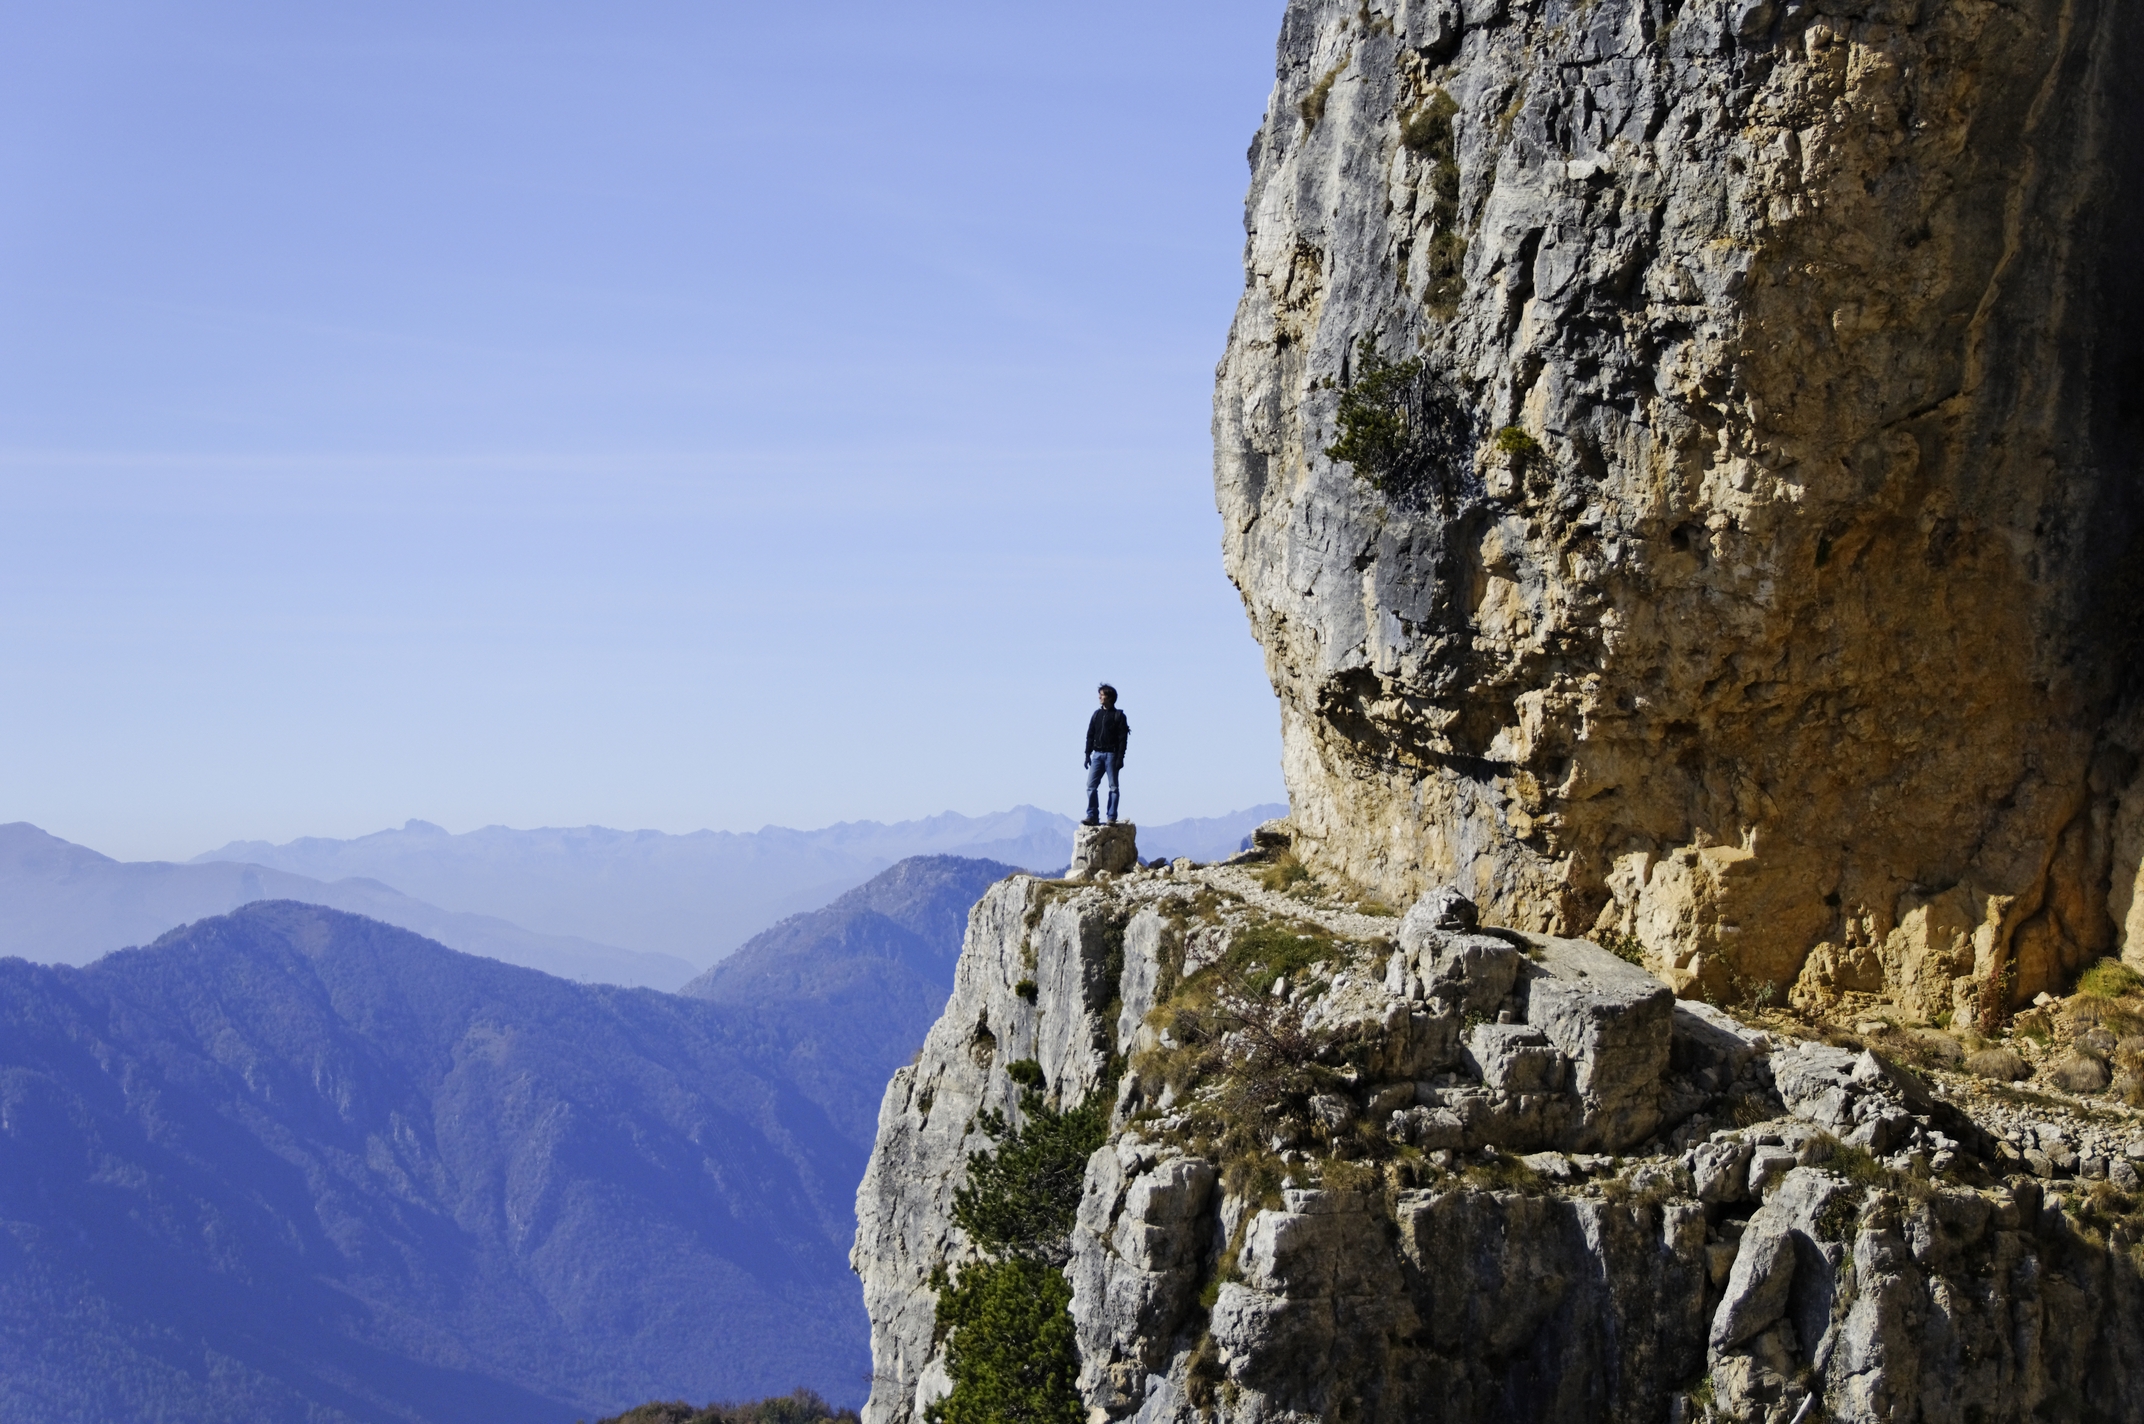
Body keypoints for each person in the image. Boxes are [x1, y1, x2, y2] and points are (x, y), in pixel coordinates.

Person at [1084, 684, 1130, 825]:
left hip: (1111, 754)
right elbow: (1090, 735)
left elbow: (1123, 739)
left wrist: (1120, 758)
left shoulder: (1119, 716)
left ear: (1110, 697)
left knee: (1113, 787)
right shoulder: (1096, 715)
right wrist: (1087, 754)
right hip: (1097, 754)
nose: (1100, 697)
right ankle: (1092, 816)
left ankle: (1111, 817)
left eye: (1102, 694)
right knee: (1091, 786)